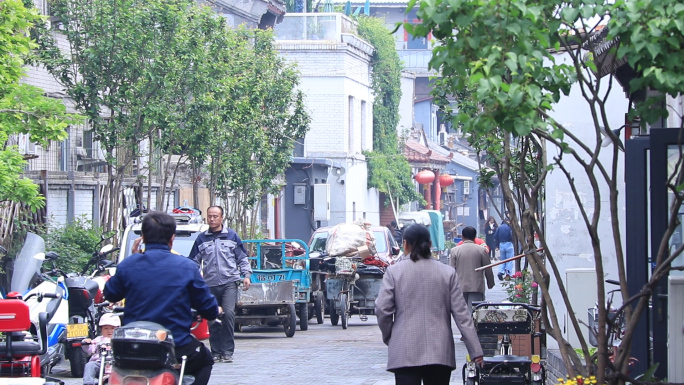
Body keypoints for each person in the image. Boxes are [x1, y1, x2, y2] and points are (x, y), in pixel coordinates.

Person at [104, 211, 219, 385]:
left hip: (131, 347)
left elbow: (111, 294)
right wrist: (214, 310)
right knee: (206, 360)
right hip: (175, 347)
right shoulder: (186, 267)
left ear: (142, 237)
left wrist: (132, 259)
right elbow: (208, 308)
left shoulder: (129, 264)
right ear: (172, 238)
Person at [375, 224, 484, 385]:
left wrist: (390, 336)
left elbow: (382, 309)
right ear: (430, 244)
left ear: (405, 244)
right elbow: (463, 315)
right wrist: (476, 351)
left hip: (405, 351)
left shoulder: (394, 272)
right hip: (439, 351)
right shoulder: (447, 273)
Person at [188, 206, 252, 364]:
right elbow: (193, 262)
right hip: (209, 285)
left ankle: (228, 351)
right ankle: (215, 352)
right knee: (212, 317)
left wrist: (247, 276)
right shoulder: (201, 239)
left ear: (222, 217)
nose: (212, 219)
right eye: (209, 216)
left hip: (229, 283)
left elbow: (242, 258)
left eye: (215, 216)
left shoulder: (232, 236)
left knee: (229, 314)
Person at [449, 226, 495, 317]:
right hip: (476, 286)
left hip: (459, 287)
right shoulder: (481, 250)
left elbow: (451, 270)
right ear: (475, 237)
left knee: (462, 314)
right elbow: (488, 268)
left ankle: (465, 330)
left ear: (462, 236)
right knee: (474, 313)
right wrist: (490, 283)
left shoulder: (455, 251)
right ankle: (473, 330)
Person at [81, 313, 120, 385]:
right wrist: (86, 342)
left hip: (116, 365)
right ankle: (88, 382)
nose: (109, 331)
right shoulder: (98, 340)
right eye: (106, 328)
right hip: (99, 363)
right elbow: (89, 350)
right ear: (101, 329)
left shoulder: (120, 340)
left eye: (112, 328)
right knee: (90, 365)